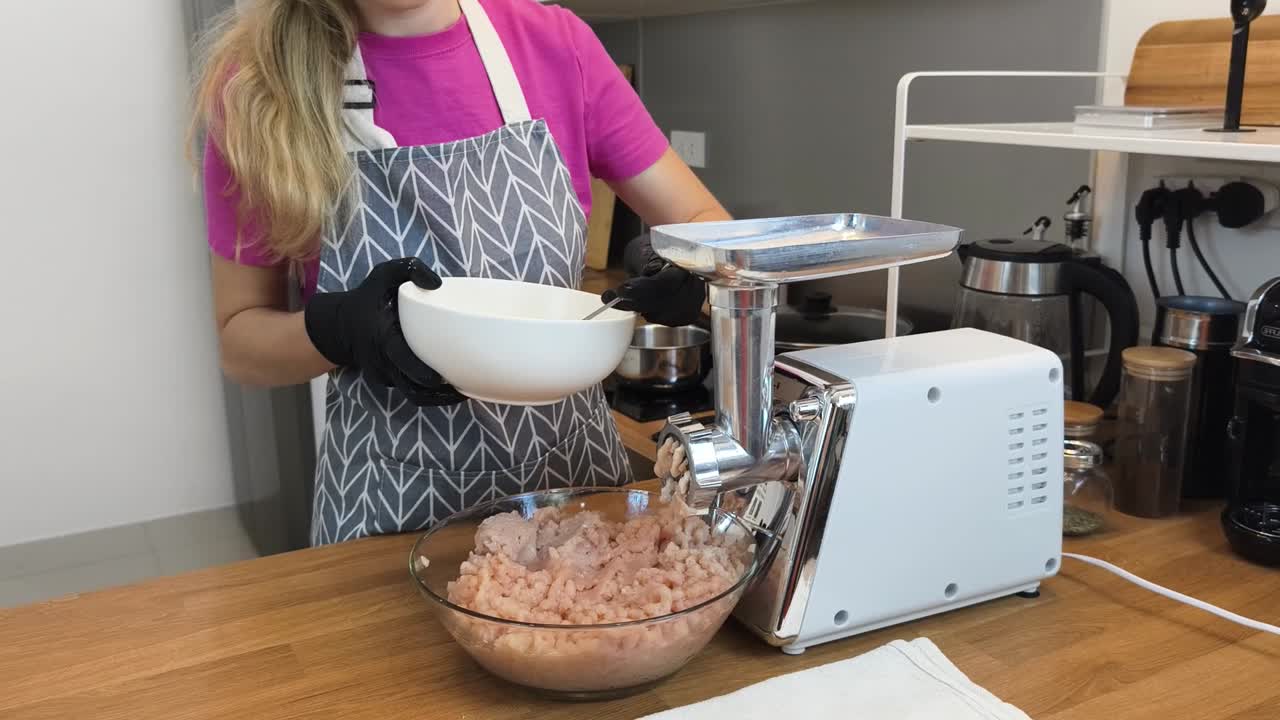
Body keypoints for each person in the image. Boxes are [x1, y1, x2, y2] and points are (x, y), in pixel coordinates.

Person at [190, 0, 727, 545]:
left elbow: (711, 230)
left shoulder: (554, 46)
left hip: (575, 500)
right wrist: (338, 328)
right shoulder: (257, 86)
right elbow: (240, 344)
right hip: (387, 515)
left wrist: (689, 267)